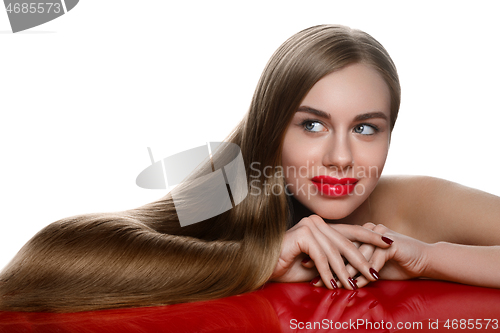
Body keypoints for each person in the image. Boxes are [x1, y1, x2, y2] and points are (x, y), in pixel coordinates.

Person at [1, 24, 499, 313]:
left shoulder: (409, 202)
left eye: (366, 129)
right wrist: (264, 258)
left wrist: (425, 258)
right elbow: (46, 257)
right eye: (312, 125)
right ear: (272, 127)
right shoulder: (239, 185)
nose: (341, 157)